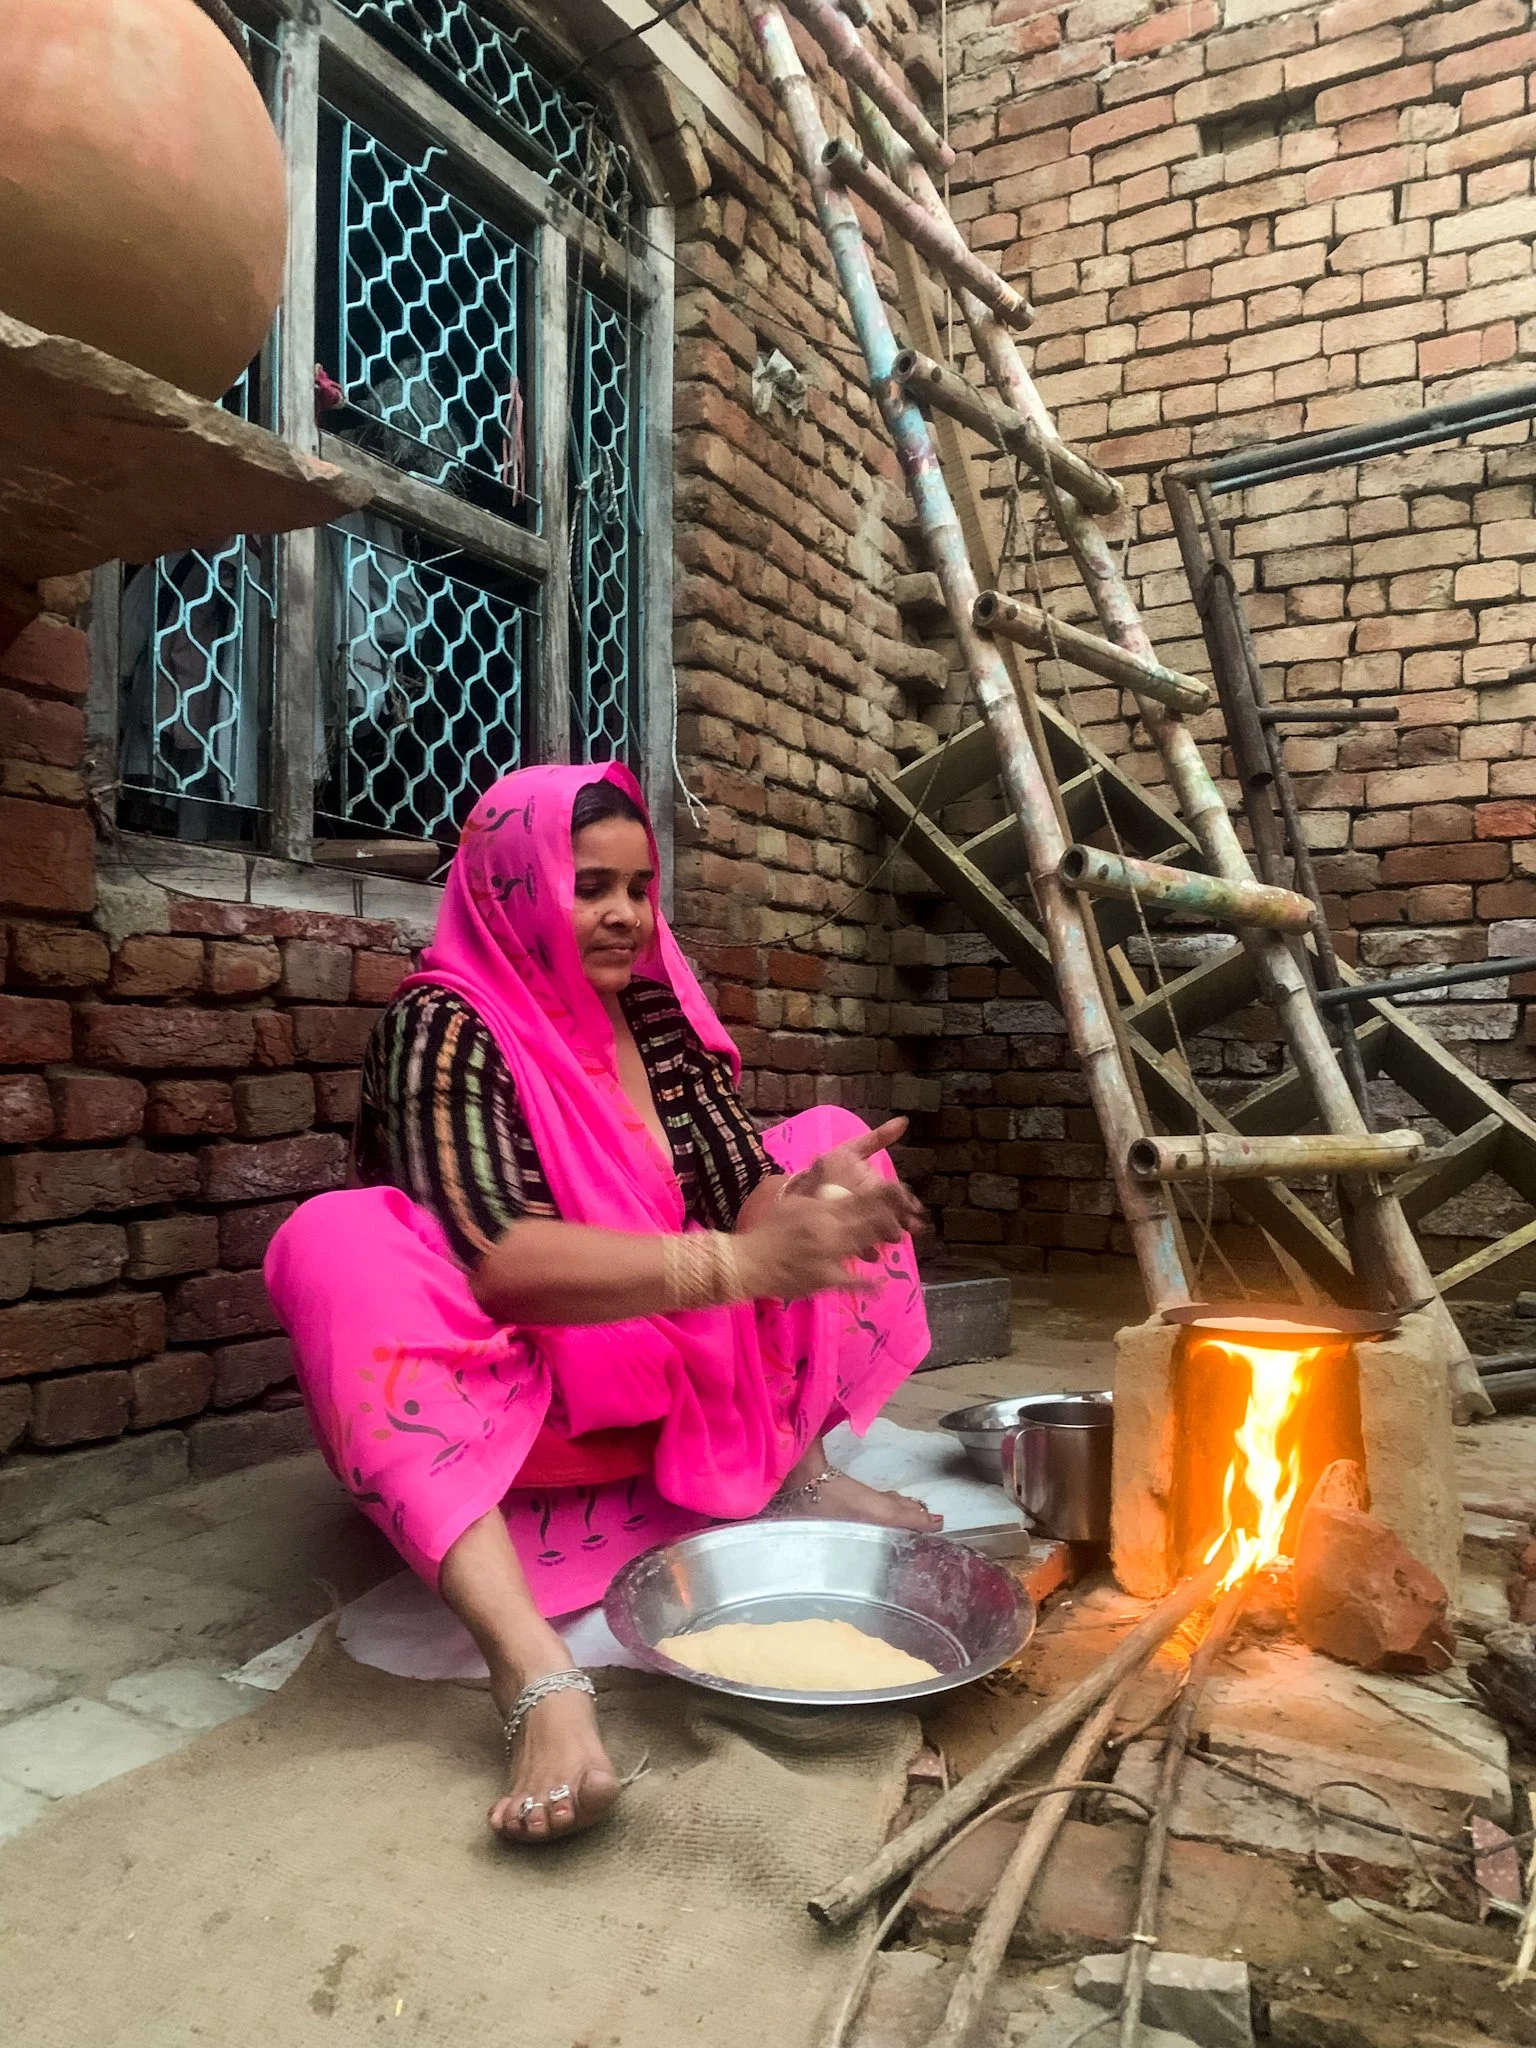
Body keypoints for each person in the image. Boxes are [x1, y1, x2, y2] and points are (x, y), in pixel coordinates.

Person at [266, 762, 935, 1849]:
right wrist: (728, 1267)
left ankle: (791, 1467)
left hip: (675, 1379)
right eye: (588, 885)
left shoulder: (654, 1012)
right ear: (512, 887)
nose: (624, 912)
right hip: (526, 1410)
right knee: (336, 1243)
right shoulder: (446, 1022)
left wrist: (806, 1209)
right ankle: (533, 1664)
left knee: (823, 1145)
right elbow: (495, 1256)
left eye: (639, 885)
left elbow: (737, 1188)